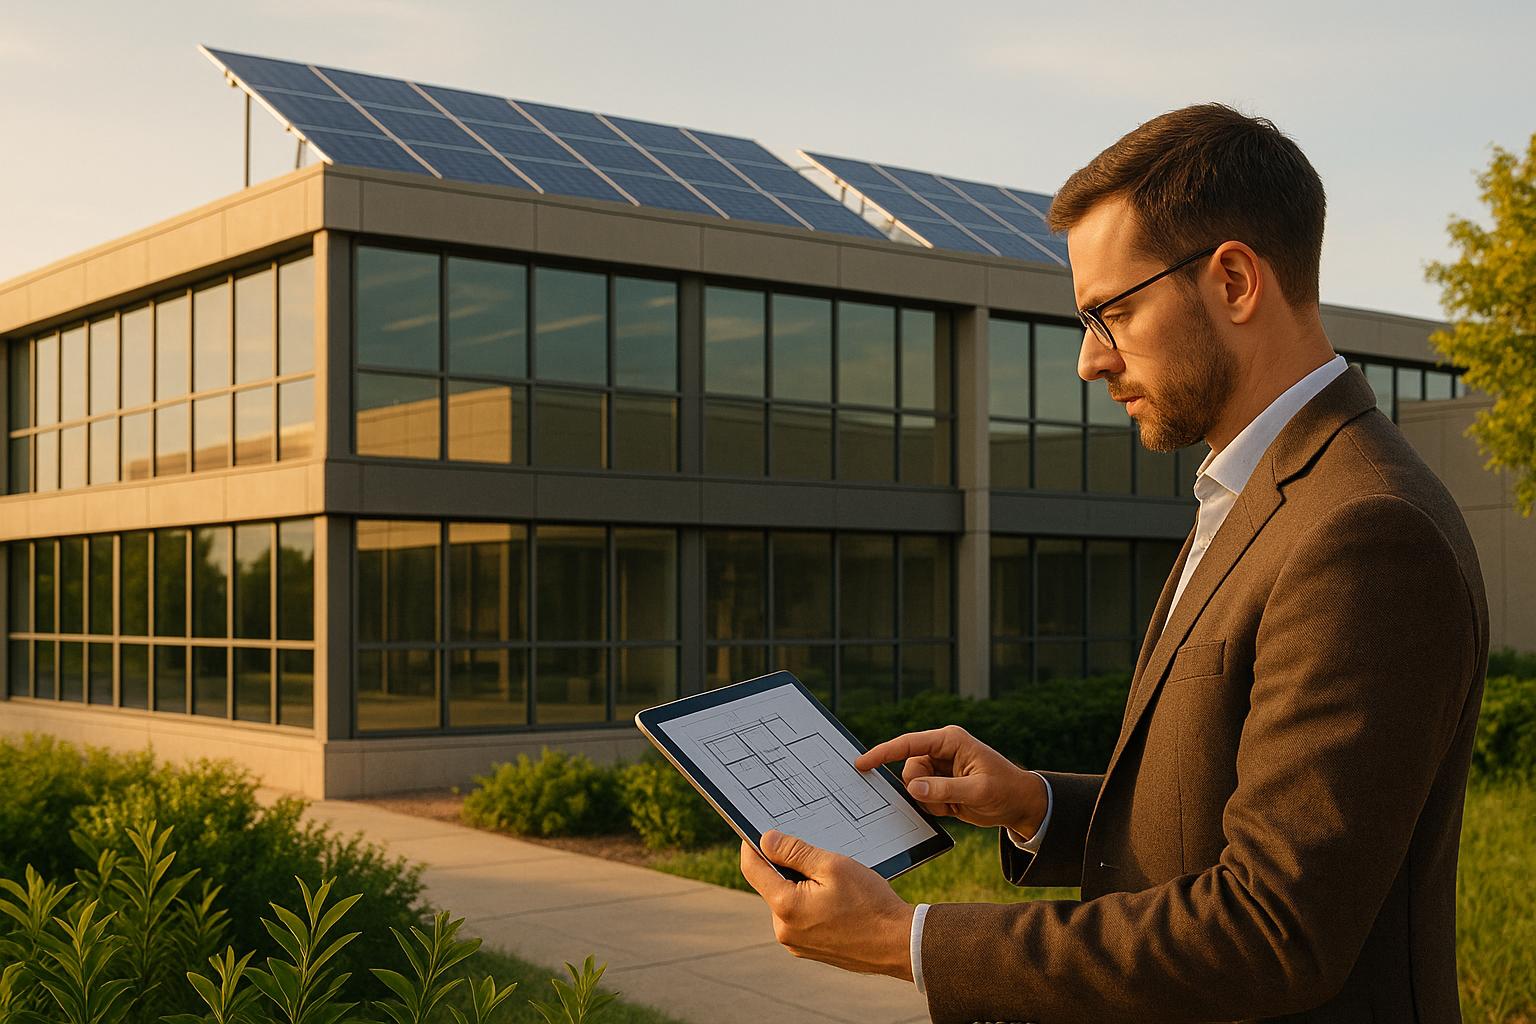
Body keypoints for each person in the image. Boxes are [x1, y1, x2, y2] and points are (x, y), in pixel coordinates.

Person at [738, 103, 1489, 1023]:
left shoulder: (1364, 531)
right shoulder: (1262, 489)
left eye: (1114, 312)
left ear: (1236, 281)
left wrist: (909, 940)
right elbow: (1225, 818)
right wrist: (1035, 804)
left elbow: (1270, 930)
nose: (1091, 361)